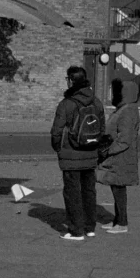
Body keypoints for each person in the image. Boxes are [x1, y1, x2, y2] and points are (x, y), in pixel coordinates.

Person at [50, 66, 106, 241]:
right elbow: (102, 129)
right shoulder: (96, 102)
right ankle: (90, 227)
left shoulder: (66, 104)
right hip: (90, 152)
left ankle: (76, 230)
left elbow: (56, 132)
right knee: (89, 191)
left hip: (71, 153)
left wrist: (58, 148)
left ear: (71, 81)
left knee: (72, 192)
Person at [97, 78, 140, 234]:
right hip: (118, 156)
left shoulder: (127, 111)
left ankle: (122, 223)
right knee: (116, 188)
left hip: (121, 157)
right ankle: (117, 220)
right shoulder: (124, 109)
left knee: (119, 189)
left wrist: (108, 150)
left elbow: (125, 139)